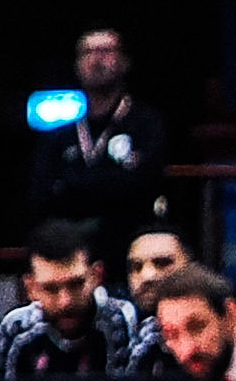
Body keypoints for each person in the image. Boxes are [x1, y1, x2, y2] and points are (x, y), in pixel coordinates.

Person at [32, 27, 171, 252]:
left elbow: (141, 185)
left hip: (129, 242)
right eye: (88, 52)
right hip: (74, 246)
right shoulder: (61, 132)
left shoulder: (146, 123)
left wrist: (75, 184)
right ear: (77, 65)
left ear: (124, 62)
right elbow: (43, 192)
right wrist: (106, 182)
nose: (97, 60)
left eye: (106, 51)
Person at [0, 221, 148, 380]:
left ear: (97, 276)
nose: (65, 301)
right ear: (31, 288)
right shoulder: (17, 328)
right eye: (50, 289)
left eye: (76, 284)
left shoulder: (122, 319)